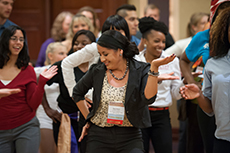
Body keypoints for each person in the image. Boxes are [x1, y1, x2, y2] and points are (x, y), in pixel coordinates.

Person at [73, 30, 176, 153]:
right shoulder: (97, 71)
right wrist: (88, 118)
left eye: (105, 54)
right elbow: (77, 93)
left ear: (120, 51)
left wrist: (154, 68)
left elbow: (149, 98)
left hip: (130, 136)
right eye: (100, 54)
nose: (102, 59)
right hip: (99, 136)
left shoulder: (140, 69)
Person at [179, 1, 230, 153]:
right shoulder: (203, 37)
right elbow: (184, 59)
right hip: (208, 98)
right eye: (223, 8)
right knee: (208, 144)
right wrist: (191, 83)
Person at [0, 25, 57, 153]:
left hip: (25, 127)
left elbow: (33, 104)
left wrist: (41, 82)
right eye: (14, 38)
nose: (18, 43)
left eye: (21, 39)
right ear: (5, 41)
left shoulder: (28, 70)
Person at [43, 30, 96, 153]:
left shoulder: (99, 65)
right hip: (66, 121)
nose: (79, 47)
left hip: (91, 121)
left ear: (93, 46)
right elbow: (38, 81)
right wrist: (48, 109)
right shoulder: (63, 65)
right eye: (76, 43)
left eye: (84, 43)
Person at [137, 17, 184, 153]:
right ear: (145, 41)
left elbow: (175, 93)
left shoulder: (171, 61)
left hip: (162, 116)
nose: (161, 45)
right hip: (140, 114)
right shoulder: (136, 60)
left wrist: (185, 84)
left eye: (163, 41)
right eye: (156, 41)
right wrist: (153, 79)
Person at [61, 15, 130, 97]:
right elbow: (66, 63)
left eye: (118, 32)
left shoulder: (131, 52)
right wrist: (74, 93)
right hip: (95, 103)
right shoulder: (95, 48)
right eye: (109, 32)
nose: (114, 36)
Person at [34, 42, 68, 153]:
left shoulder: (68, 72)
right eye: (61, 53)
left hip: (62, 118)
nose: (65, 56)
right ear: (50, 56)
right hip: (45, 118)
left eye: (66, 53)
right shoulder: (38, 71)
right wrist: (47, 109)